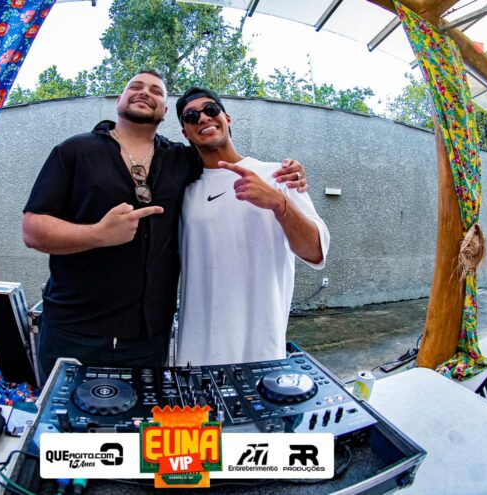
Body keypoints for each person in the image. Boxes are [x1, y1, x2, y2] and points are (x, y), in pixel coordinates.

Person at [23, 70, 307, 375]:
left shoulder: (181, 160)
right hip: (73, 331)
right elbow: (33, 229)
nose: (145, 92)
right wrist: (98, 234)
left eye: (156, 91)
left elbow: (221, 159)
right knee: (63, 408)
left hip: (147, 341)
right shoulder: (75, 151)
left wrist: (284, 175)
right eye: (135, 86)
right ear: (119, 99)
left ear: (165, 111)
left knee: (147, 409)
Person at [174, 87, 330, 366]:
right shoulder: (181, 190)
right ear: (185, 132)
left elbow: (315, 252)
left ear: (227, 118)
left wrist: (280, 204)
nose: (203, 118)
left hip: (261, 350)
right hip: (196, 354)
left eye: (210, 109)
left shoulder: (278, 175)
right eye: (191, 116)